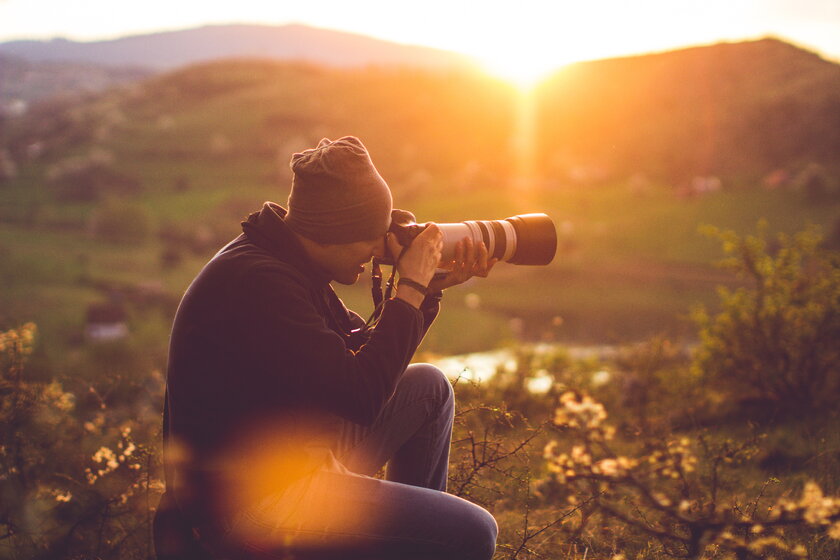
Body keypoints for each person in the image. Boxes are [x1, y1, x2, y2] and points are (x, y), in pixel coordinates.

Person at [154, 136, 499, 560]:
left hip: (293, 462)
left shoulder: (290, 260)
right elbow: (360, 394)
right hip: (242, 511)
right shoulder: (259, 282)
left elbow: (363, 356)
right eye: (371, 239)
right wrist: (408, 288)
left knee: (428, 387)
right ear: (334, 232)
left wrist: (425, 293)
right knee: (471, 531)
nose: (378, 253)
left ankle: (405, 542)